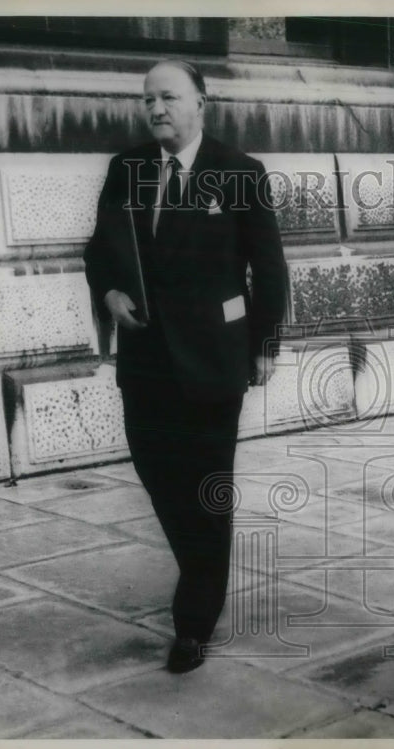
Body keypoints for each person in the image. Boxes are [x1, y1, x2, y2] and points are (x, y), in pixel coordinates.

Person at [84, 59, 288, 674]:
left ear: (202, 102)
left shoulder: (239, 172)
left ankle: (193, 623)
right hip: (145, 358)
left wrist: (265, 344)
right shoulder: (128, 169)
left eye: (169, 97)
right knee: (153, 466)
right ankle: (203, 565)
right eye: (148, 100)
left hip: (213, 359)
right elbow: (99, 250)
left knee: (206, 486)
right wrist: (111, 294)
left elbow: (270, 265)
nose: (156, 110)